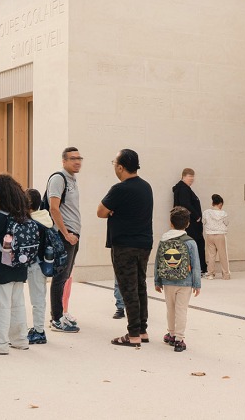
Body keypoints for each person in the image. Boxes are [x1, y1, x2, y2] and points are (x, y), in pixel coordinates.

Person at [97, 148, 154, 348]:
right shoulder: (147, 187)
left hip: (124, 246)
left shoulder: (119, 189)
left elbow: (101, 212)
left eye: (114, 163)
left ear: (120, 167)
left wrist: (114, 211)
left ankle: (133, 335)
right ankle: (143, 330)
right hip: (144, 244)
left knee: (128, 289)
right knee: (140, 286)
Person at [0, 173, 38, 355]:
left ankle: (0, 344)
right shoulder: (22, 215)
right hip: (20, 265)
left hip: (2, 265)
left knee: (2, 305)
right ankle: (20, 339)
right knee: (18, 304)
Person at [154, 205, 201, 353]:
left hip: (167, 280)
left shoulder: (164, 239)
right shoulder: (190, 242)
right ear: (187, 224)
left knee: (170, 309)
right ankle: (179, 340)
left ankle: (171, 334)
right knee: (181, 310)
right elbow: (196, 264)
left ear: (171, 223)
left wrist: (157, 280)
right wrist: (196, 283)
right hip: (185, 281)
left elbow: (158, 261)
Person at [45, 146, 82, 333]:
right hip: (64, 235)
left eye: (79, 158)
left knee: (66, 276)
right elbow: (54, 208)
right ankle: (56, 318)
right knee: (60, 277)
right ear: (64, 161)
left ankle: (61, 313)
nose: (77, 162)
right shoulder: (58, 179)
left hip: (73, 234)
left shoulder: (72, 180)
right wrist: (66, 233)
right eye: (73, 158)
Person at [26, 188, 52, 345]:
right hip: (44, 263)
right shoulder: (45, 217)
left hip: (36, 265)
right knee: (40, 297)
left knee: (37, 299)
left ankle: (39, 331)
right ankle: (38, 328)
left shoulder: (32, 223)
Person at [172, 168, 207, 275]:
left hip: (187, 222)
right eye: (189, 177)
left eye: (193, 177)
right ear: (183, 176)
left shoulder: (182, 188)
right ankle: (199, 269)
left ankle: (195, 268)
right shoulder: (184, 189)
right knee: (196, 244)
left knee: (191, 245)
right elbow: (185, 204)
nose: (192, 179)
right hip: (191, 224)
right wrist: (197, 216)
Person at [202, 194, 230, 279]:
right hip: (220, 235)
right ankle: (226, 275)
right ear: (220, 204)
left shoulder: (206, 212)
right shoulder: (224, 213)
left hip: (209, 235)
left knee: (211, 255)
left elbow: (204, 222)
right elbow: (226, 223)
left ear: (213, 203)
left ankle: (210, 274)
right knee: (223, 255)